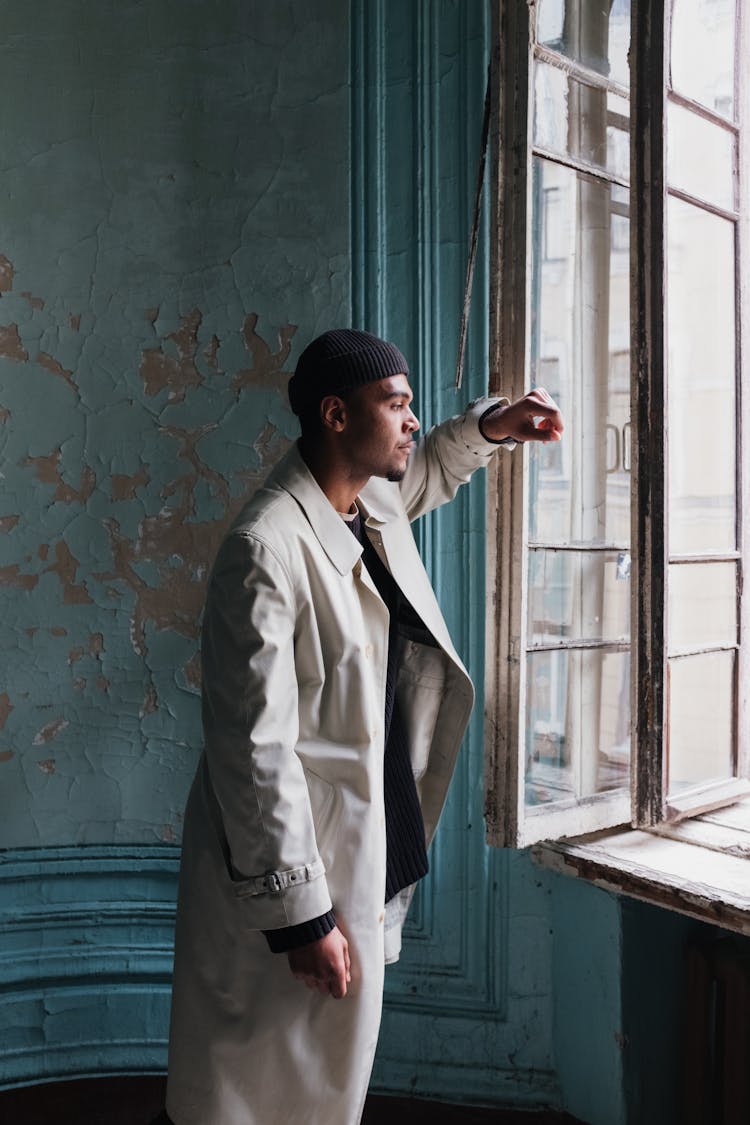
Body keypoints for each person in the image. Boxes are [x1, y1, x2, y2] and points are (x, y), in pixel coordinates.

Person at [164, 329, 563, 1125]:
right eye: (397, 404)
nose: (411, 421)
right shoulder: (264, 549)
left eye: (412, 403)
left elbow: (431, 470)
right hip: (292, 855)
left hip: (356, 830)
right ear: (336, 413)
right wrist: (301, 914)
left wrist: (493, 426)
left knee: (317, 1072)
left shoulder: (363, 500)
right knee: (250, 1081)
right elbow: (254, 751)